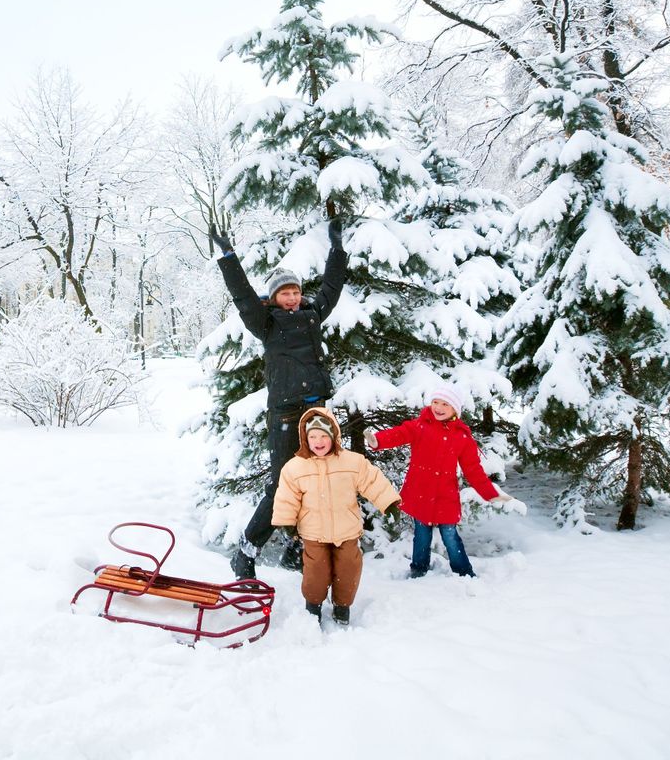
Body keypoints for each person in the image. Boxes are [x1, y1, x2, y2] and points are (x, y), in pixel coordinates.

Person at [210, 218, 348, 580]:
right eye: (284, 293)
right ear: (273, 297)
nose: (291, 297)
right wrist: (227, 255)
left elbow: (333, 287)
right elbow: (241, 293)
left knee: (318, 481)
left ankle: (295, 548)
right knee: (282, 484)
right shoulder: (265, 322)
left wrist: (337, 248)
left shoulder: (312, 314)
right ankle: (246, 551)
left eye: (295, 291)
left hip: (317, 410)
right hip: (286, 413)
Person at [365, 385, 518, 578]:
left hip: (445, 495)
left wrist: (490, 493)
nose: (438, 407)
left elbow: (473, 470)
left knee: (450, 536)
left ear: (455, 409)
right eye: (436, 402)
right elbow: (399, 434)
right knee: (421, 536)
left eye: (445, 404)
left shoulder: (462, 437)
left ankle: (464, 572)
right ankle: (418, 569)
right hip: (421, 492)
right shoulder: (420, 426)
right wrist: (377, 440)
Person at [272, 407, 400, 625]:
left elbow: (372, 482)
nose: (318, 441)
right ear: (305, 438)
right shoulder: (295, 467)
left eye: (323, 436)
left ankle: (342, 606)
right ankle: (313, 606)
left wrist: (389, 503)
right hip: (313, 533)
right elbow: (287, 497)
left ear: (333, 436)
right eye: (312, 436)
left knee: (348, 570)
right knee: (315, 573)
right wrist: (286, 521)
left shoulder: (352, 462)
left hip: (347, 531)